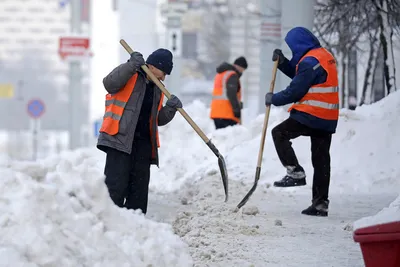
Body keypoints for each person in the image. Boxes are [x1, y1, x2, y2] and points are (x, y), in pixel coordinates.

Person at [96, 48, 182, 215]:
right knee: (116, 188)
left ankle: (136, 227)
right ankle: (111, 225)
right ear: (152, 66)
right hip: (120, 141)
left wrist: (170, 109)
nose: (163, 78)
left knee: (139, 193)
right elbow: (109, 83)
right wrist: (130, 66)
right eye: (163, 72)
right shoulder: (131, 75)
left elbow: (156, 120)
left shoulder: (158, 89)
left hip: (143, 145)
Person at [264, 26, 339, 217]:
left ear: (298, 44)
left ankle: (295, 172)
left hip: (311, 114)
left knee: (279, 133)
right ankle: (320, 203)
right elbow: (303, 77)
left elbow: (295, 90)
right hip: (328, 117)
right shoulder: (321, 56)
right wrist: (283, 63)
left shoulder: (309, 62)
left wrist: (273, 98)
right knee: (321, 159)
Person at [209, 56, 248, 129]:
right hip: (227, 114)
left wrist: (238, 103)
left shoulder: (221, 73)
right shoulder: (232, 75)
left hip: (217, 112)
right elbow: (231, 94)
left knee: (221, 138)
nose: (242, 72)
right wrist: (237, 109)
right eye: (242, 69)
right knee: (228, 138)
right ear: (238, 66)